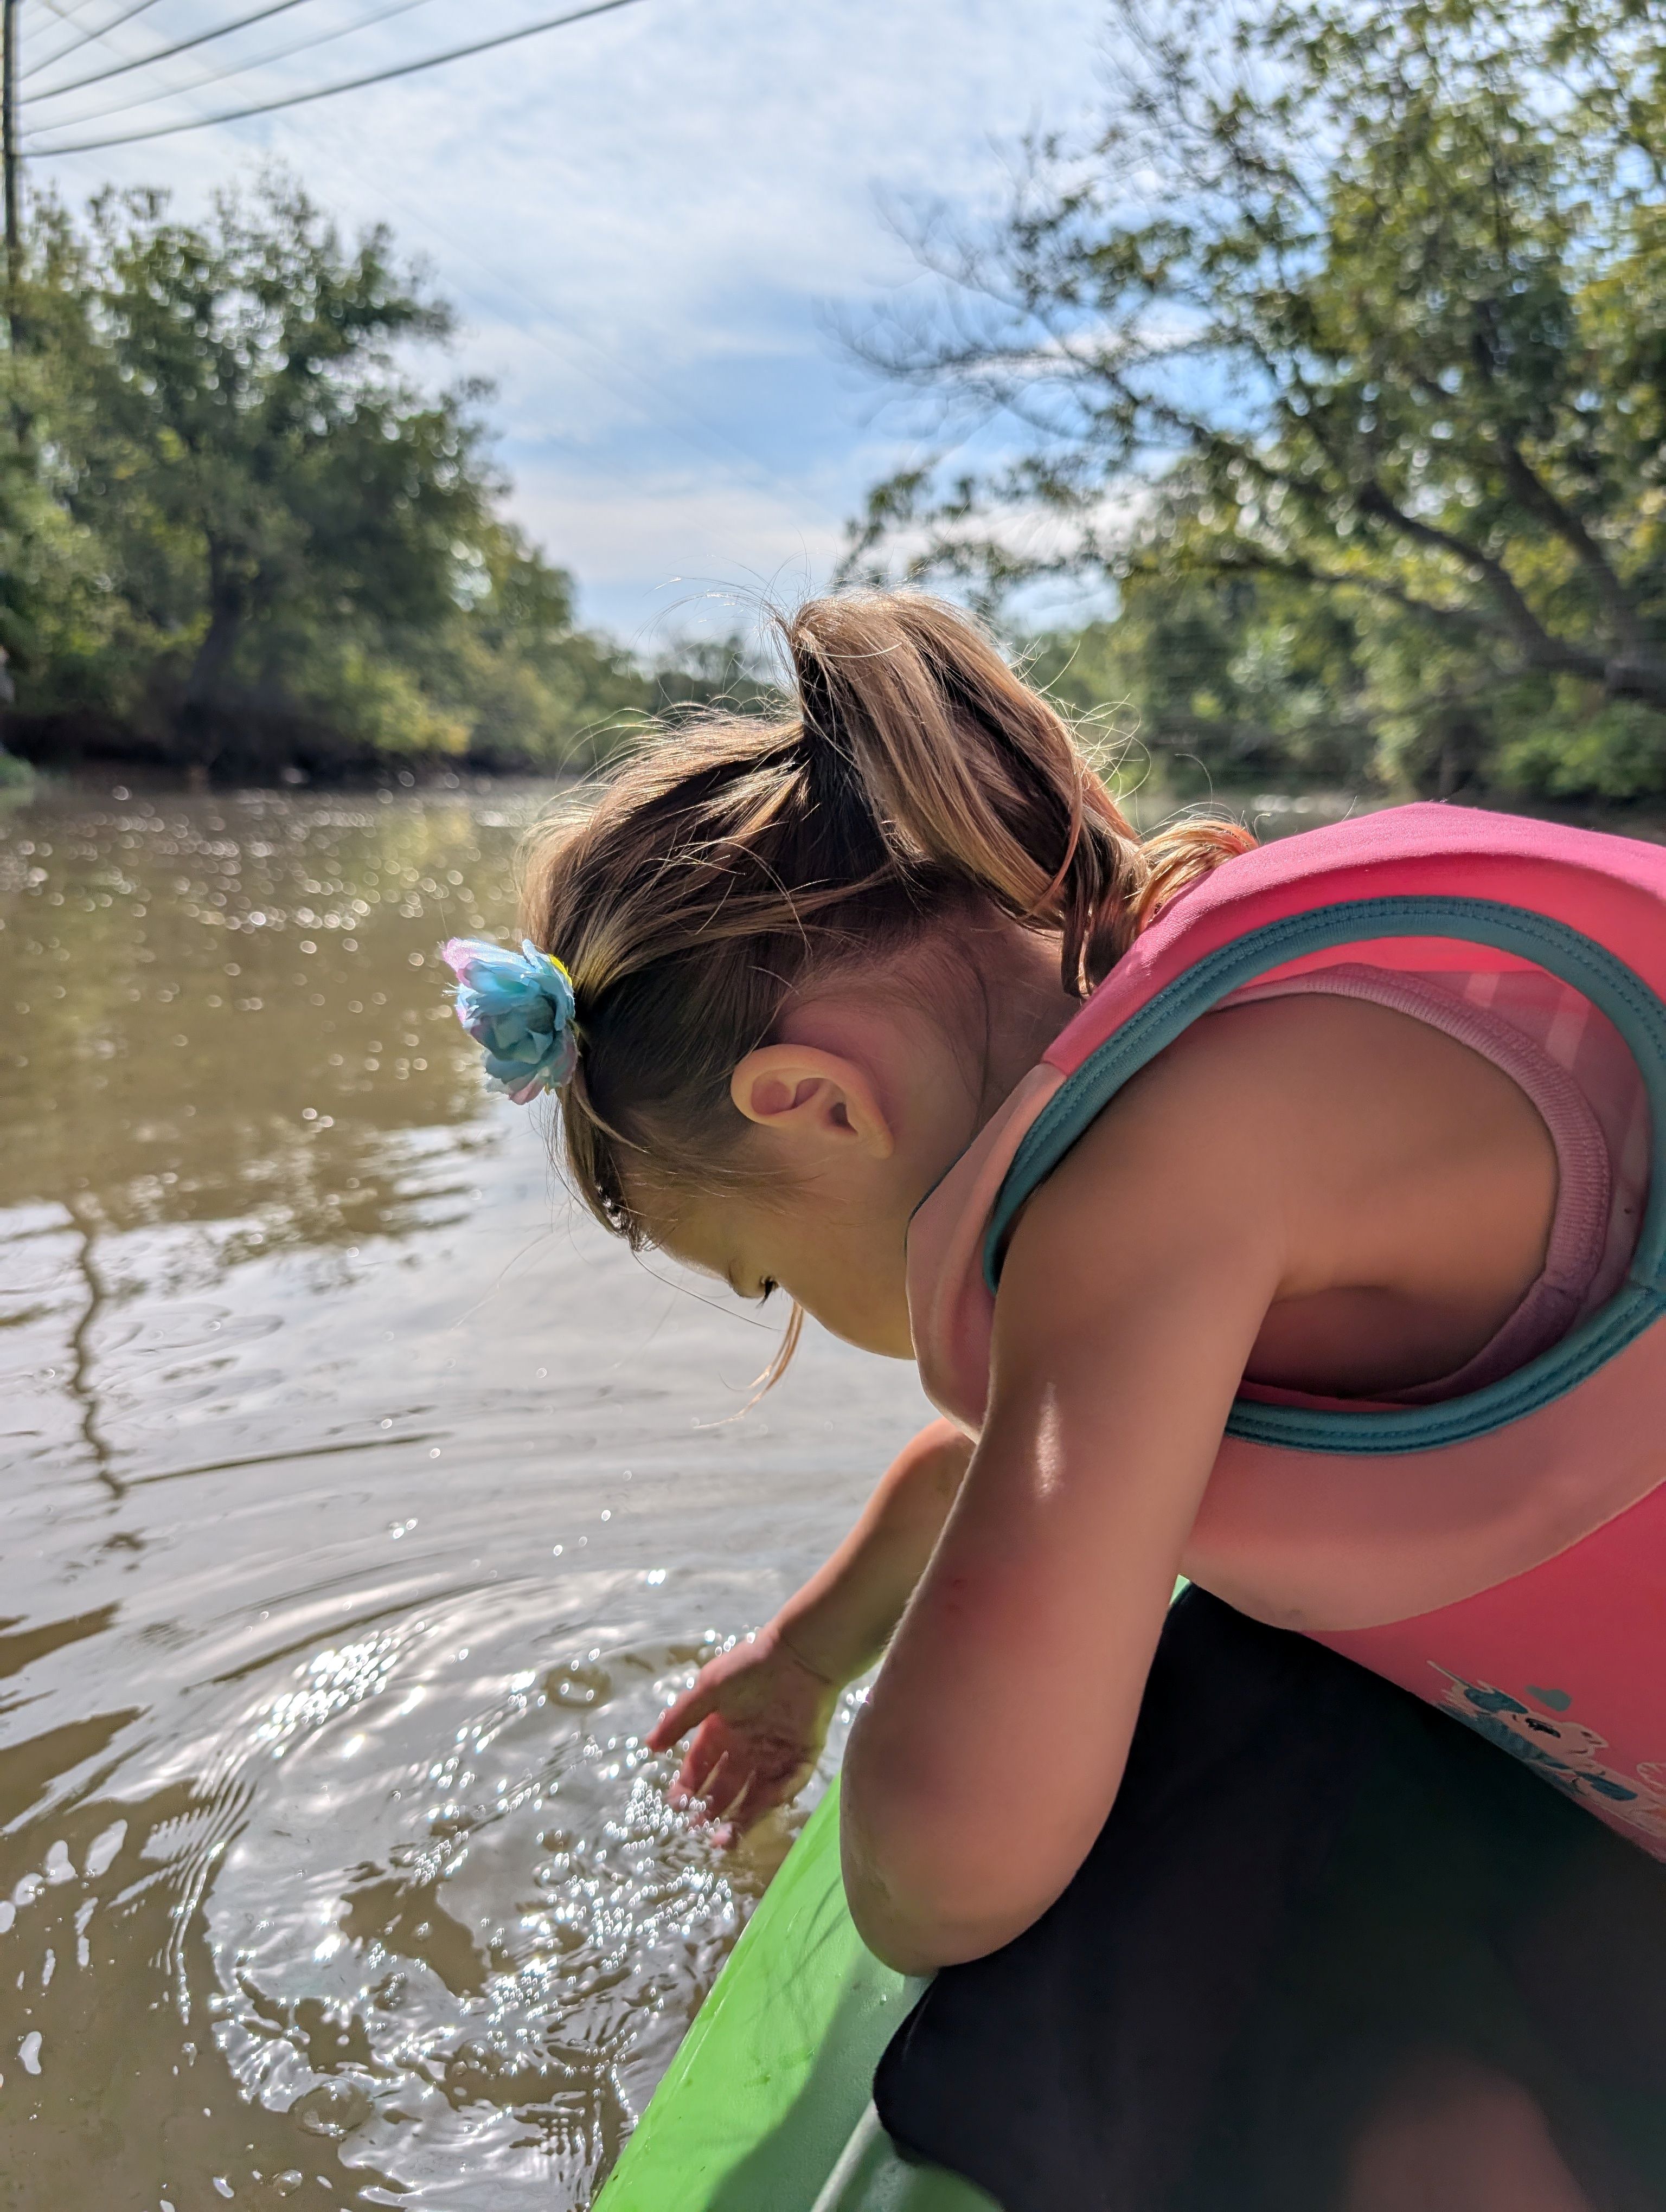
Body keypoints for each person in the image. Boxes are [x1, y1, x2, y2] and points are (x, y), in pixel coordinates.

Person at [442, 594, 1666, 2211]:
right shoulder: (1245, 1018)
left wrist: (882, 1799)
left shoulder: (1145, 1189)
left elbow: (947, 1872)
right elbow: (1015, 1453)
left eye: (763, 1274)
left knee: (1279, 2032)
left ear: (814, 1103)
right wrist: (810, 1654)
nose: (799, 1312)